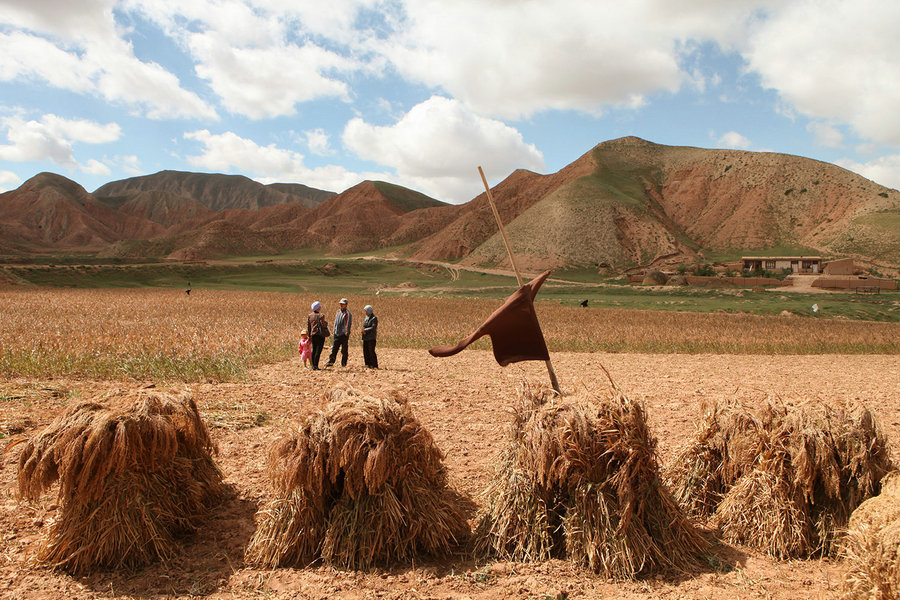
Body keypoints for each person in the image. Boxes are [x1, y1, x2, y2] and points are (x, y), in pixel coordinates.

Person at [325, 298, 352, 367]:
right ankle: (331, 361)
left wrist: (346, 333)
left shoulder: (348, 313)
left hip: (343, 334)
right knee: (334, 349)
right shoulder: (338, 312)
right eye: (341, 304)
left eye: (343, 304)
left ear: (346, 305)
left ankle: (343, 363)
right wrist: (334, 330)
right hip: (337, 333)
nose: (341, 305)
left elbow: (348, 324)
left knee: (344, 350)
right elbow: (336, 322)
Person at [307, 301, 329, 370]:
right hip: (320, 334)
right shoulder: (321, 315)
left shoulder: (310, 316)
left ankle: (313, 365)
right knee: (318, 350)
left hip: (313, 335)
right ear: (317, 308)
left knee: (314, 350)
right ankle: (316, 366)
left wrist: (309, 336)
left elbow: (309, 326)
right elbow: (323, 324)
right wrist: (326, 323)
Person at [361, 304, 378, 369]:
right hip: (365, 337)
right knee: (365, 351)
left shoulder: (374, 318)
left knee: (371, 351)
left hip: (371, 338)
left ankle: (374, 365)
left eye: (366, 311)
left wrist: (365, 330)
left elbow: (373, 327)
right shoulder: (366, 317)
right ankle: (367, 364)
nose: (365, 312)